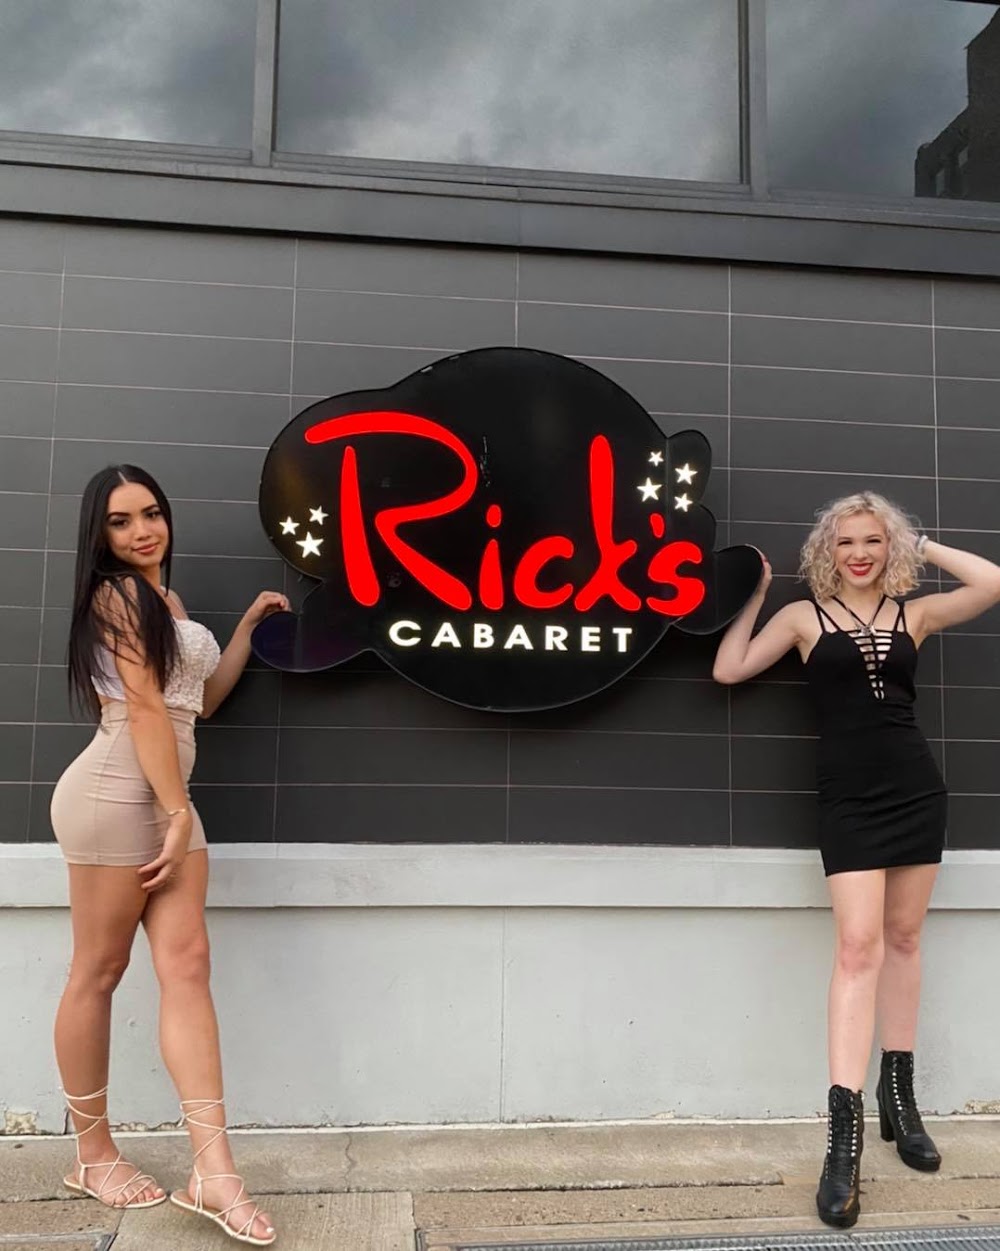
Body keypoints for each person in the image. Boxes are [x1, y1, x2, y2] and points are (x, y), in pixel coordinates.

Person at [712, 491, 1000, 1229]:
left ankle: (899, 1101)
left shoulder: (915, 614)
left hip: (915, 789)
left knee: (904, 939)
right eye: (846, 541)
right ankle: (843, 1144)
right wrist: (754, 598)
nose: (860, 553)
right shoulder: (803, 617)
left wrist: (919, 544)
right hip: (848, 798)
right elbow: (730, 669)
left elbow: (992, 583)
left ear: (888, 545)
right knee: (857, 947)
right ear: (827, 551)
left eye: (873, 540)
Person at [50, 464, 288, 1247]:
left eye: (151, 513)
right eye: (120, 521)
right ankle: (92, 1155)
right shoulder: (117, 595)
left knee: (188, 966)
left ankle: (214, 1172)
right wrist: (177, 810)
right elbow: (146, 707)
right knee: (99, 969)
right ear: (100, 534)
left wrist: (245, 628)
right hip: (117, 794)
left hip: (168, 800)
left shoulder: (169, 603)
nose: (142, 531)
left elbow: (197, 703)